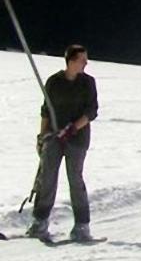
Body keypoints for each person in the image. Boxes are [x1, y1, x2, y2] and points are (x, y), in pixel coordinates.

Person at [27, 45, 99, 242]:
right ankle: (40, 222)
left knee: (75, 179)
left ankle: (82, 226)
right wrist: (42, 136)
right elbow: (45, 111)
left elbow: (91, 111)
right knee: (47, 177)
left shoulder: (88, 83)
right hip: (54, 137)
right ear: (71, 61)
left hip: (77, 139)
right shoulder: (54, 82)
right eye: (82, 59)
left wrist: (73, 128)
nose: (85, 63)